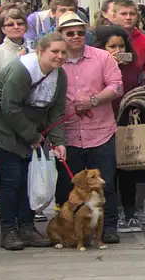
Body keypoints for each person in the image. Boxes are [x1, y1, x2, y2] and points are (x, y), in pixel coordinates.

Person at [0, 32, 68, 251]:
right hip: (1, 128)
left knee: (27, 179)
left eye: (63, 52)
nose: (59, 56)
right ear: (41, 51)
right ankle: (8, 230)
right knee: (11, 180)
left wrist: (58, 142)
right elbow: (10, 107)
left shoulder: (60, 75)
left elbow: (56, 111)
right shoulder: (21, 70)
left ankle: (26, 228)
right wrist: (33, 136)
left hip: (27, 130)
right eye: (54, 51)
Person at [52, 14, 124, 245]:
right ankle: (71, 231)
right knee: (68, 184)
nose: (76, 37)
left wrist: (93, 100)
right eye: (70, 33)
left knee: (107, 183)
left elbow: (116, 86)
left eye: (80, 32)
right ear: (60, 34)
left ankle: (109, 228)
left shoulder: (102, 57)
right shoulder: (55, 60)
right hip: (69, 133)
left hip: (100, 131)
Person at [95, 25, 145, 234]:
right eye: (112, 46)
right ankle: (111, 213)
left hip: (127, 122)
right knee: (108, 171)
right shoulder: (96, 65)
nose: (117, 50)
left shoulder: (133, 66)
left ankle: (130, 214)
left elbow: (140, 86)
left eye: (121, 46)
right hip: (101, 124)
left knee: (128, 170)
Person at [0, 7, 30, 84]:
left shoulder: (35, 49)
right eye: (10, 24)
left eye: (20, 23)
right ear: (3, 29)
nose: (16, 27)